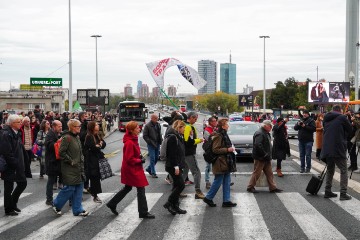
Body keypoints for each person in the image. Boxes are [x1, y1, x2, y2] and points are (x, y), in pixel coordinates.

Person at [106, 121, 155, 219]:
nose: (139, 129)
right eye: (137, 128)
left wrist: (139, 157)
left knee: (128, 187)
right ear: (132, 131)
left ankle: (112, 203)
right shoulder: (129, 142)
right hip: (132, 169)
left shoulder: (133, 139)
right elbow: (129, 159)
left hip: (133, 168)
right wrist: (139, 160)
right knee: (141, 188)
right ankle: (143, 212)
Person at [52, 119, 88, 216]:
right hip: (69, 168)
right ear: (72, 127)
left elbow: (79, 152)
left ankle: (78, 209)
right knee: (70, 188)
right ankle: (56, 204)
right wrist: (71, 161)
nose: (80, 128)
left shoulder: (76, 137)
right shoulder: (67, 138)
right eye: (78, 126)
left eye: (80, 126)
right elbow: (61, 152)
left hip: (78, 167)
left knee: (79, 188)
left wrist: (81, 160)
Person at [0, 114, 32, 216]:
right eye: (18, 122)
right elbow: (7, 153)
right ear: (11, 123)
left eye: (20, 121)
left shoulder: (16, 132)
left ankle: (12, 203)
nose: (20, 123)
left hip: (18, 165)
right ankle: (8, 209)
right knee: (8, 188)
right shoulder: (6, 134)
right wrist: (15, 164)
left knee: (22, 183)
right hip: (10, 166)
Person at [203, 119, 237, 207]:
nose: (228, 126)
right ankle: (208, 198)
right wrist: (227, 149)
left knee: (227, 180)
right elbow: (215, 149)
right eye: (226, 124)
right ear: (222, 126)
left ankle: (226, 200)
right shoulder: (219, 135)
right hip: (220, 161)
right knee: (218, 180)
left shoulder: (223, 134)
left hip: (225, 161)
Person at [320, 105, 352, 200]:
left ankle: (327, 191)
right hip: (338, 148)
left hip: (327, 148)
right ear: (340, 110)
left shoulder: (326, 118)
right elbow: (350, 130)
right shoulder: (342, 117)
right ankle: (343, 193)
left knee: (330, 169)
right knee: (343, 170)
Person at [247, 120, 283, 193]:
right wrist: (264, 154)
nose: (271, 127)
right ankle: (250, 187)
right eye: (270, 126)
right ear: (265, 126)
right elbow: (258, 145)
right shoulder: (260, 133)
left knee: (269, 173)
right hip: (261, 157)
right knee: (257, 172)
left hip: (266, 157)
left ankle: (273, 187)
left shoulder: (265, 132)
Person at [163, 120, 187, 215]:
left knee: (176, 186)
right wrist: (176, 166)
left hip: (177, 165)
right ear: (179, 127)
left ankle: (175, 206)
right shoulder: (173, 137)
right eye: (183, 128)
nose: (185, 129)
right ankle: (169, 203)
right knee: (181, 185)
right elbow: (172, 154)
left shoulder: (179, 136)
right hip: (172, 166)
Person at [182, 112, 205, 199]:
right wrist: (199, 140)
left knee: (184, 172)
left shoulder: (186, 125)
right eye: (195, 119)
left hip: (185, 153)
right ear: (191, 117)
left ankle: (177, 189)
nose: (195, 121)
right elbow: (187, 142)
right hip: (189, 153)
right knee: (196, 172)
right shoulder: (188, 127)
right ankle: (198, 191)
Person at [84, 121, 106, 203]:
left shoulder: (97, 135)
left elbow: (104, 144)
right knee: (93, 176)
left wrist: (100, 144)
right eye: (96, 125)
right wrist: (99, 145)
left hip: (96, 159)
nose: (98, 125)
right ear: (92, 127)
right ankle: (94, 194)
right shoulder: (89, 136)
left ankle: (93, 193)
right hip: (91, 160)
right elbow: (93, 147)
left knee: (95, 177)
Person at [44, 120, 63, 205]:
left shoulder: (58, 134)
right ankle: (49, 199)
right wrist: (59, 141)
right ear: (54, 126)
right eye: (59, 126)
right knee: (51, 181)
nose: (61, 128)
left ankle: (64, 198)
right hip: (52, 161)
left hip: (57, 161)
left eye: (61, 126)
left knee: (63, 180)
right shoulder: (50, 134)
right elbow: (49, 145)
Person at [143, 114, 162, 178]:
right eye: (156, 118)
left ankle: (149, 169)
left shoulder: (158, 124)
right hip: (151, 144)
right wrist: (149, 142)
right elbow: (145, 135)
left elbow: (159, 133)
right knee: (152, 158)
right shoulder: (147, 126)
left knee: (156, 158)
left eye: (157, 118)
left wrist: (160, 140)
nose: (157, 119)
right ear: (152, 118)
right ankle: (153, 172)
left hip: (157, 143)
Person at [203, 116, 217, 189]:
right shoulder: (207, 130)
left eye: (216, 121)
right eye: (214, 121)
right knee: (208, 166)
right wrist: (214, 135)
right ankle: (207, 181)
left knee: (218, 165)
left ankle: (219, 180)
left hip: (216, 149)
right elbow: (209, 139)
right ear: (211, 122)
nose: (216, 122)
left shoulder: (216, 129)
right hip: (209, 150)